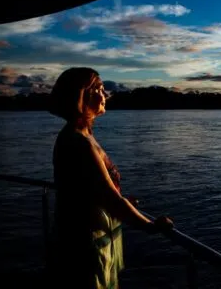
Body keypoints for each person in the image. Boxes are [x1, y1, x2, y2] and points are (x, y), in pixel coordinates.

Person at [47, 67, 173, 288]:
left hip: (90, 239)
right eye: (99, 89)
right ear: (81, 95)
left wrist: (117, 200)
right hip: (84, 248)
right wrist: (151, 226)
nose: (105, 94)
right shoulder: (80, 143)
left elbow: (90, 189)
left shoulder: (83, 136)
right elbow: (111, 200)